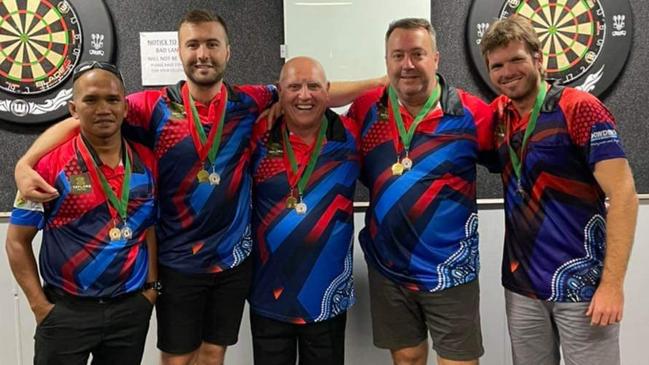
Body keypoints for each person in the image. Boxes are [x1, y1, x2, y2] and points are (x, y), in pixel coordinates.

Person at [13, 9, 382, 365]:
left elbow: (316, 94)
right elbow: (88, 115)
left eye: (211, 44)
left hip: (232, 262)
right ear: (180, 51)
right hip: (178, 262)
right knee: (177, 359)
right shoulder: (152, 106)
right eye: (193, 45)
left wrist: (383, 84)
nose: (202, 54)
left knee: (212, 355)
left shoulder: (248, 102)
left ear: (227, 51)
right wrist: (25, 162)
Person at [480, 15, 638, 365]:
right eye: (497, 65)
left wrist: (612, 286)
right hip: (522, 289)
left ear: (538, 58)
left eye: (516, 59)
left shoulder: (579, 108)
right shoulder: (499, 116)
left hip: (583, 287)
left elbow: (624, 195)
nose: (507, 72)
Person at [347, 18, 496, 365]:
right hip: (389, 268)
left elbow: (514, 163)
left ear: (436, 59)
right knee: (408, 358)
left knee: (458, 361)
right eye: (397, 55)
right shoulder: (366, 108)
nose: (407, 64)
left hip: (451, 270)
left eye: (417, 54)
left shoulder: (472, 112)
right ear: (386, 62)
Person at [5, 61, 158, 365]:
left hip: (130, 310)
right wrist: (39, 306)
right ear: (74, 109)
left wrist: (151, 289)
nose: (103, 108)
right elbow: (16, 242)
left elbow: (149, 228)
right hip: (65, 312)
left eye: (113, 100)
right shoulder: (45, 167)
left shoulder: (147, 160)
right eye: (91, 100)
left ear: (126, 108)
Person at [248, 56, 359, 365]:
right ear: (280, 93)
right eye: (294, 87)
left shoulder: (352, 136)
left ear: (328, 91)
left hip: (326, 296)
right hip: (268, 293)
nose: (304, 95)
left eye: (313, 86)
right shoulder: (257, 134)